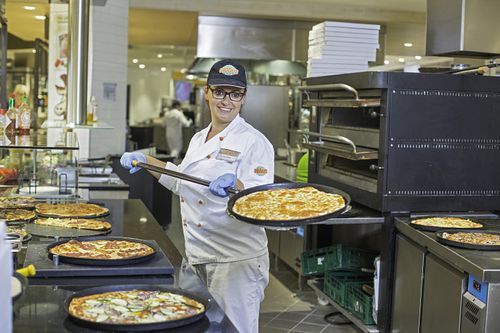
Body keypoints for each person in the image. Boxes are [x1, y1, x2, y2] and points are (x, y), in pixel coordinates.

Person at [120, 59, 274, 333]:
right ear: (207, 93)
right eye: (219, 92)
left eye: (235, 94)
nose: (226, 101)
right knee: (199, 327)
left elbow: (261, 199)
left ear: (244, 98)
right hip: (197, 254)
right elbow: (183, 182)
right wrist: (145, 161)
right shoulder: (198, 137)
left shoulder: (255, 142)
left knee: (234, 330)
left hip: (234, 261)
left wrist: (237, 183)